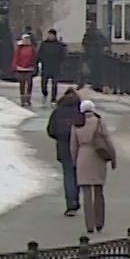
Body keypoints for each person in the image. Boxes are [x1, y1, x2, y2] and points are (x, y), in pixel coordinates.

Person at [70, 99, 116, 235]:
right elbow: (108, 140)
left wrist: (74, 161)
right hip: (98, 157)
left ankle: (89, 225)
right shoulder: (99, 122)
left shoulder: (77, 123)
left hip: (82, 157)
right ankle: (99, 223)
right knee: (99, 192)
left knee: (87, 195)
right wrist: (113, 157)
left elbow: (73, 145)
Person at [46, 87, 84, 217]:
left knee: (68, 175)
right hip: (79, 147)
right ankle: (75, 199)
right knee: (77, 174)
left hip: (63, 146)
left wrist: (60, 138)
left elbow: (51, 130)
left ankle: (70, 203)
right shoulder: (79, 111)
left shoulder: (58, 111)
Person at [37, 29, 67, 101]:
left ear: (54, 36)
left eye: (51, 35)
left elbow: (63, 55)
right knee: (44, 83)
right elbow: (40, 54)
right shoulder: (44, 44)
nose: (50, 36)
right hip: (46, 66)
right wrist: (39, 61)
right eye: (49, 35)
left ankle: (53, 97)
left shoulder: (59, 45)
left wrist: (61, 64)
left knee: (54, 84)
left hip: (55, 67)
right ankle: (44, 92)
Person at [10, 32, 38, 106]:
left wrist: (35, 66)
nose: (26, 41)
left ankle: (28, 99)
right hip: (20, 68)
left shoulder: (32, 48)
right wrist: (15, 66)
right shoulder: (19, 48)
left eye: (27, 39)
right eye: (25, 39)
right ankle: (22, 99)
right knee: (22, 84)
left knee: (29, 84)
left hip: (29, 68)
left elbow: (34, 58)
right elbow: (16, 57)